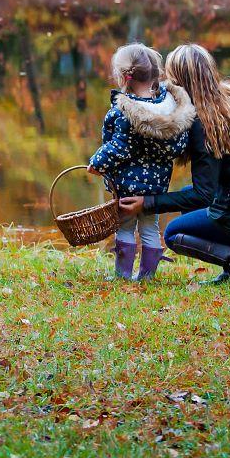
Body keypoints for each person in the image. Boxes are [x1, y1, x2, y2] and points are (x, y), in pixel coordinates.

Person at [116, 43, 230, 283]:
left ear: (180, 82)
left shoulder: (204, 124)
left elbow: (203, 195)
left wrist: (147, 203)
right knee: (188, 207)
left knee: (173, 233)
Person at [86, 43, 195, 281]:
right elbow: (177, 146)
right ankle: (147, 276)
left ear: (124, 77)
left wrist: (96, 163)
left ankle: (122, 274)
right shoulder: (170, 111)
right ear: (155, 74)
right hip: (155, 190)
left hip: (127, 186)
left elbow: (119, 147)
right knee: (149, 227)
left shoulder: (125, 111)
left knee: (125, 227)